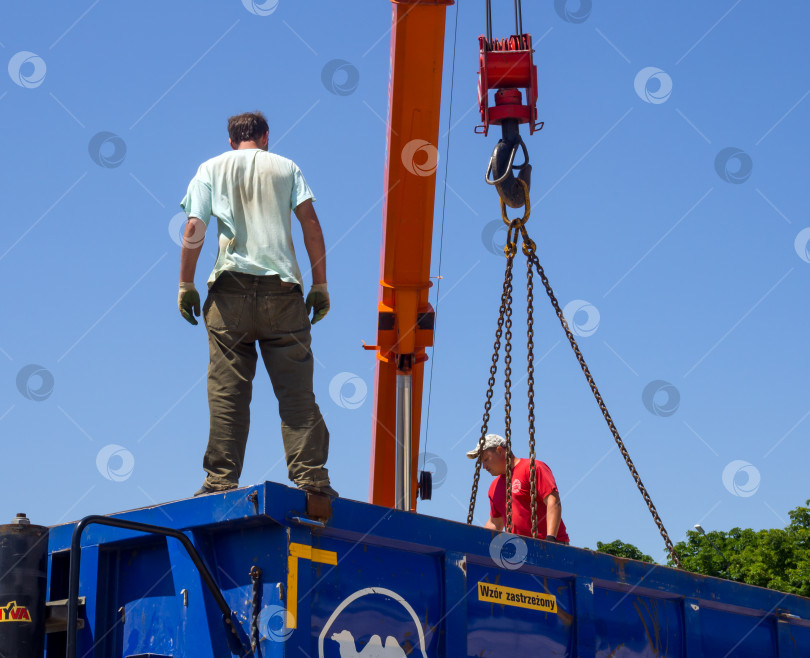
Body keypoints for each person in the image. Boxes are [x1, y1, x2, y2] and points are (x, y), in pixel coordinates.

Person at [177, 111, 337, 498]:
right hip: (283, 292)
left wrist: (186, 283)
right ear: (266, 137)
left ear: (232, 141)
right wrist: (320, 283)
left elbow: (194, 227)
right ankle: (311, 479)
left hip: (228, 294)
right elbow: (310, 224)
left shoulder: (210, 168)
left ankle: (219, 481)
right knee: (297, 393)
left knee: (227, 393)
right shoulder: (286, 168)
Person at [468, 433, 569, 542]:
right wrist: (475, 542)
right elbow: (495, 523)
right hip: (520, 550)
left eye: (486, 459)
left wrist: (551, 539)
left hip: (550, 545)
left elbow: (553, 501)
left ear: (499, 451)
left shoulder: (532, 468)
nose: (484, 466)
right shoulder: (494, 487)